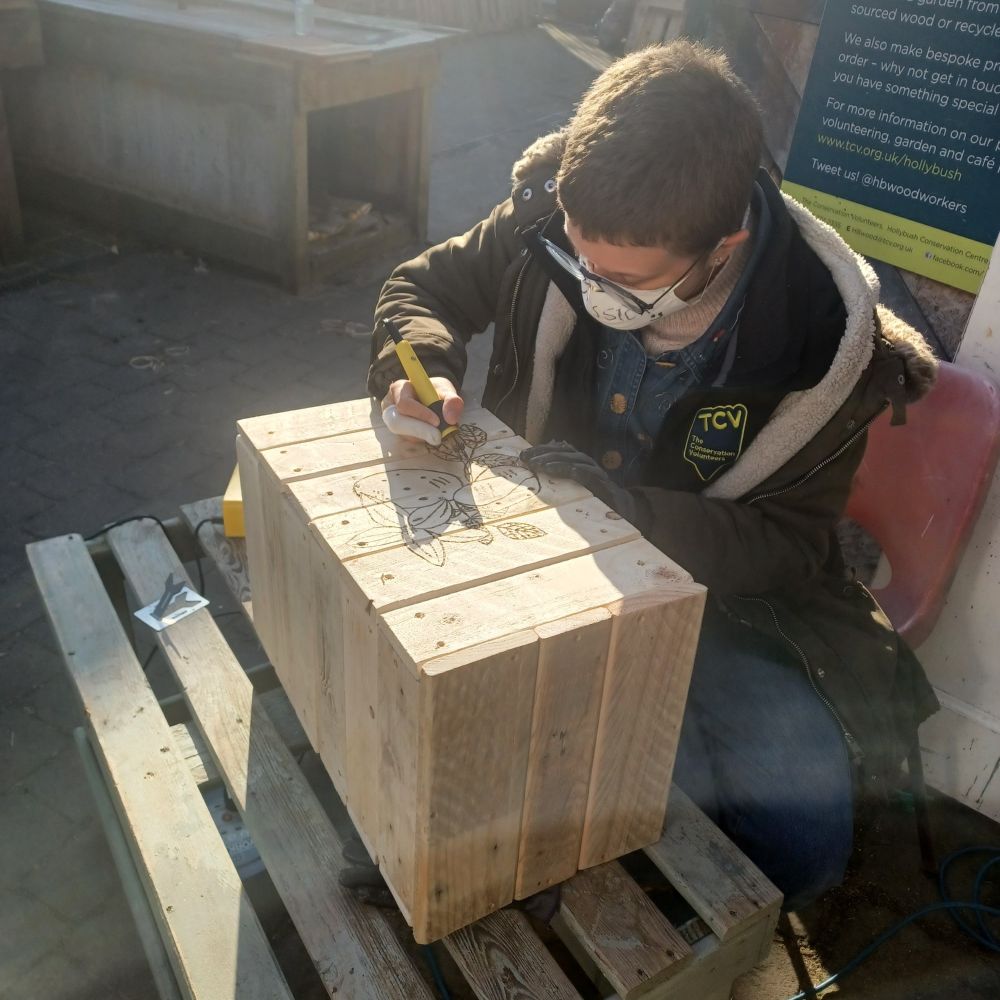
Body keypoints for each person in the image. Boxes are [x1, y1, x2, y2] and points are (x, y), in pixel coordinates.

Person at [366, 41, 939, 911]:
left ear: (722, 246)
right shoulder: (551, 215)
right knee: (517, 752)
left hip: (722, 595)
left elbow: (783, 546)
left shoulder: (826, 344)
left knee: (804, 849)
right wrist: (420, 370)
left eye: (625, 279)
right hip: (544, 545)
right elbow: (422, 289)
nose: (589, 284)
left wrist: (626, 513)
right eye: (578, 257)